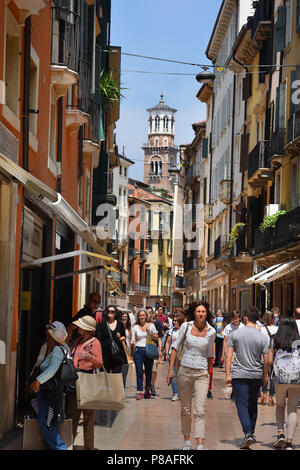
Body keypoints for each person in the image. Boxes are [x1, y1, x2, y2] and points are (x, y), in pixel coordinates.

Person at [167, 301, 216, 450]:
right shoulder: (186, 326)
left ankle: (200, 444)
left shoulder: (211, 331)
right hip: (185, 372)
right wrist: (171, 370)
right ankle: (187, 441)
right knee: (186, 409)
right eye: (198, 311)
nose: (201, 313)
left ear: (206, 313)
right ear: (194, 313)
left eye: (203, 311)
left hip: (201, 373)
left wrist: (207, 373)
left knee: (200, 410)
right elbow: (175, 347)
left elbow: (209, 354)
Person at [225, 306, 269, 449]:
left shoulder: (236, 334)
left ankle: (248, 432)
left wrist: (227, 374)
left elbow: (228, 355)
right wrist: (265, 375)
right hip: (256, 374)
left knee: (241, 403)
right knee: (252, 403)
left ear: (245, 318)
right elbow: (267, 360)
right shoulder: (262, 337)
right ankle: (251, 432)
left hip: (239, 374)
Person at [29, 322, 69, 450]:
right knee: (47, 421)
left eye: (49, 336)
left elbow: (52, 369)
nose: (47, 338)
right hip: (46, 392)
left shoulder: (57, 350)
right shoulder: (50, 349)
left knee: (47, 422)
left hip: (50, 393)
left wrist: (38, 381)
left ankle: (60, 448)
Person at [66, 315, 102, 450]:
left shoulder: (95, 342)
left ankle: (88, 447)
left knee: (88, 417)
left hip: (87, 380)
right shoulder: (77, 340)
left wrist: (90, 357)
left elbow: (100, 363)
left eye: (80, 326)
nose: (78, 328)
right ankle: (69, 444)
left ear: (86, 329)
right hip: (74, 380)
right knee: (72, 415)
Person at [269, 317, 300, 450]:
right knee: (293, 408)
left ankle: (280, 433)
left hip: (280, 379)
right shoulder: (298, 341)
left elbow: (270, 361)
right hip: (296, 379)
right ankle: (289, 441)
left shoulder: (274, 339)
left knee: (280, 406)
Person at [132, 309, 158, 400]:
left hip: (148, 350)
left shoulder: (151, 325)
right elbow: (134, 340)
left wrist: (149, 333)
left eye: (143, 315)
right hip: (138, 350)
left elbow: (156, 337)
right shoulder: (135, 327)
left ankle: (147, 389)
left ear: (146, 316)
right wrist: (133, 352)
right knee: (139, 371)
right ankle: (140, 391)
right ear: (138, 317)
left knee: (148, 371)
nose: (142, 317)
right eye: (140, 315)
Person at [97, 305, 127, 377]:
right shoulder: (101, 325)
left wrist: (120, 337)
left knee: (116, 377)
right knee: (104, 377)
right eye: (109, 311)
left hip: (117, 355)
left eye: (112, 311)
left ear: (115, 313)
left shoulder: (120, 324)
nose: (110, 312)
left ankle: (115, 388)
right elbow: (98, 338)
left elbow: (124, 337)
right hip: (105, 355)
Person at [165, 312, 186, 401]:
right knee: (172, 374)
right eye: (173, 321)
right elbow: (168, 342)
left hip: (182, 355)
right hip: (171, 354)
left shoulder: (184, 330)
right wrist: (166, 353)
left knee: (182, 374)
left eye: (176, 321)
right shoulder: (172, 330)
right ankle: (175, 393)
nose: (174, 322)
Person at [260, 311, 278, 406]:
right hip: (273, 355)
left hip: (264, 355)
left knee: (265, 376)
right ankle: (271, 397)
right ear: (273, 319)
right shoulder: (277, 329)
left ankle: (264, 396)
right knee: (272, 377)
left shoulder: (262, 329)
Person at [149, 311, 163, 396]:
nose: (154, 320)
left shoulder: (157, 325)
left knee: (154, 369)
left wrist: (160, 349)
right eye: (152, 319)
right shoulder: (145, 326)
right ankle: (147, 386)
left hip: (154, 349)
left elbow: (159, 338)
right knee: (145, 370)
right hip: (145, 348)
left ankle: (152, 386)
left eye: (155, 319)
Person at [120, 311, 133, 387]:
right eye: (123, 316)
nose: (124, 318)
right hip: (118, 351)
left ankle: (122, 390)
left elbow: (132, 340)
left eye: (125, 317)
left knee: (124, 373)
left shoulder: (130, 329)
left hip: (127, 352)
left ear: (128, 318)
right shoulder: (117, 327)